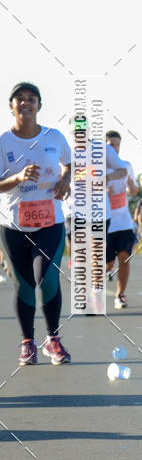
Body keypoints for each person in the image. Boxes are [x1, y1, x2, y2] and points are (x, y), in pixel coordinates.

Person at [0, 82, 71, 365]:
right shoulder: (3, 141)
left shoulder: (54, 137)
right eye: (20, 99)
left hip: (50, 222)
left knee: (48, 278)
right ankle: (27, 343)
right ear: (11, 106)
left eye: (31, 99)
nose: (26, 103)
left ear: (39, 105)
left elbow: (70, 163)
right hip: (13, 225)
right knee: (24, 285)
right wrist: (17, 179)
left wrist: (65, 179)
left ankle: (53, 339)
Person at [105, 131, 139, 310]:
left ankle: (120, 294)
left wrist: (132, 187)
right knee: (108, 263)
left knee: (124, 257)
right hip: (106, 222)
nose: (114, 148)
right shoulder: (98, 168)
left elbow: (133, 191)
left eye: (117, 144)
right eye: (110, 145)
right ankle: (92, 286)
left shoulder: (126, 166)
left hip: (124, 221)